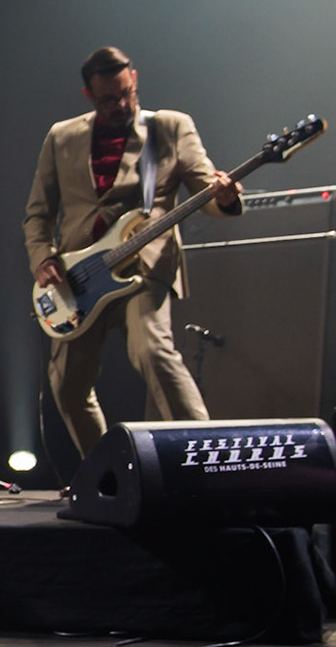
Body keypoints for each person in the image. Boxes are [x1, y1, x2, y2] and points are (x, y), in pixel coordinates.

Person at [24, 46, 241, 457]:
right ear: (88, 95)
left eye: (126, 93)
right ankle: (108, 471)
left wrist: (225, 197)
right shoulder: (62, 136)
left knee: (152, 352)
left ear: (135, 80)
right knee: (67, 384)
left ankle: (209, 457)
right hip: (79, 277)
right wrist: (43, 259)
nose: (120, 104)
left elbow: (205, 194)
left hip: (145, 265)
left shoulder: (171, 127)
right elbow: (37, 214)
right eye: (108, 99)